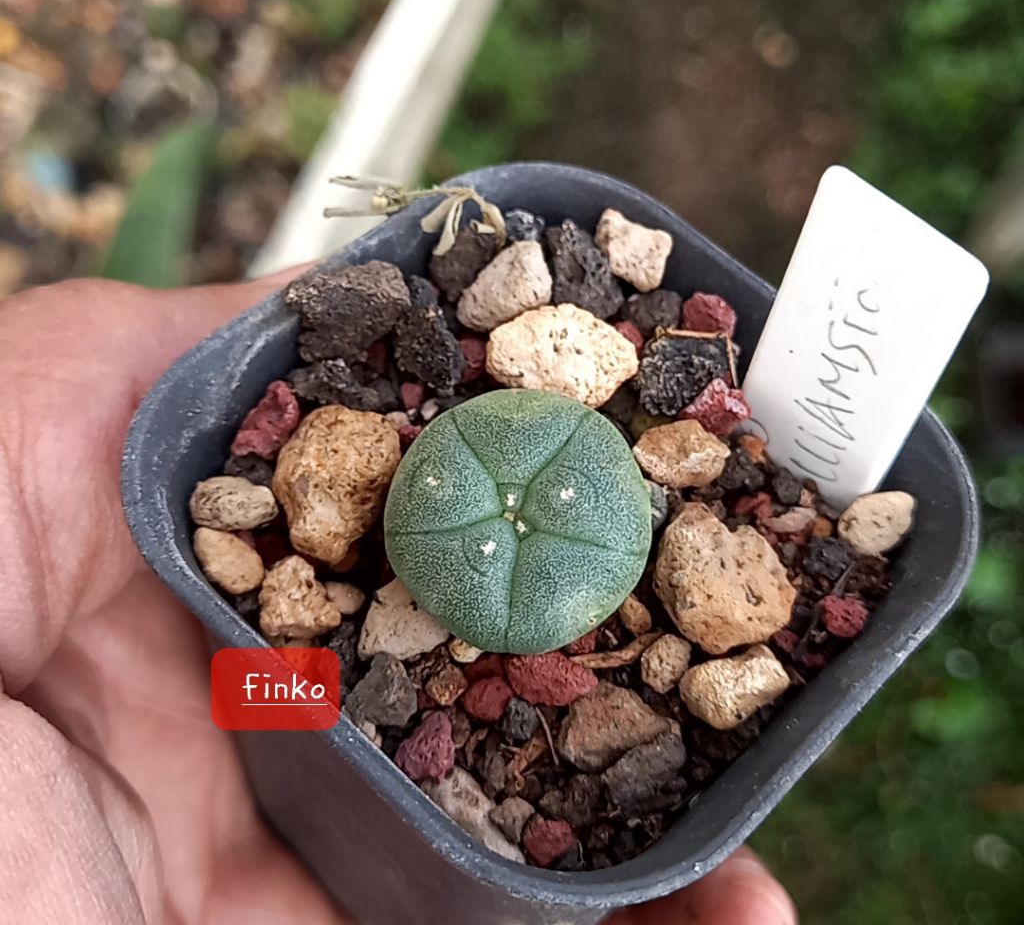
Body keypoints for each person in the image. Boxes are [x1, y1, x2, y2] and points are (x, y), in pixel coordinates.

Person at [0, 273, 797, 925]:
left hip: (183, 728)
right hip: (184, 721)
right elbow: (272, 690)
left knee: (305, 682)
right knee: (295, 683)